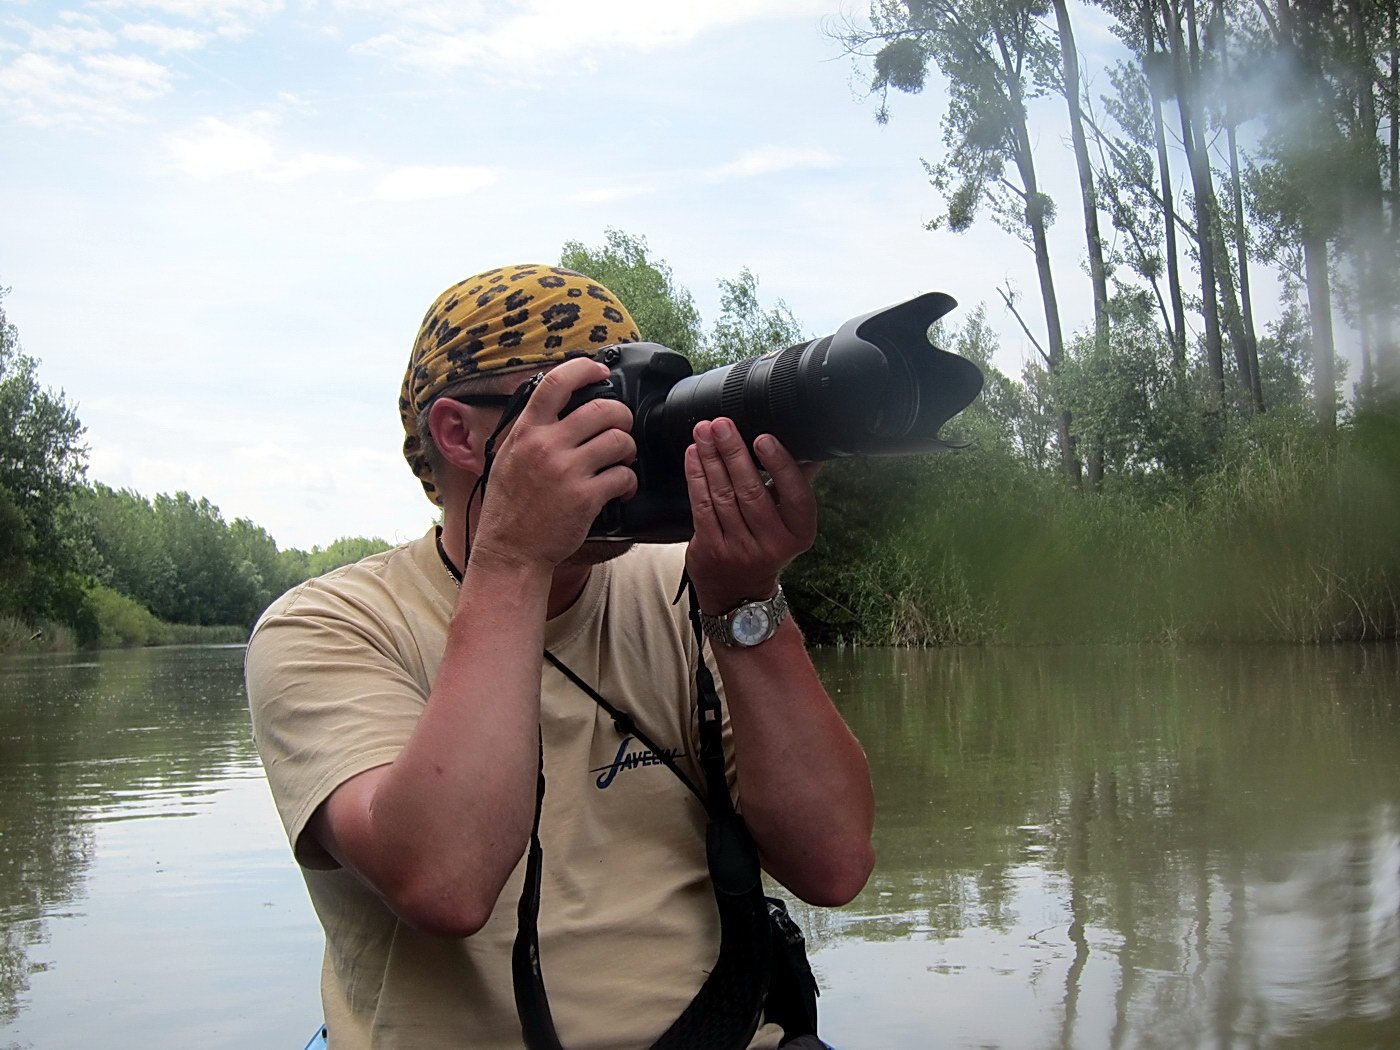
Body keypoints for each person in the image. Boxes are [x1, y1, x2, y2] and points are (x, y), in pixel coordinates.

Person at [246, 263, 876, 1049]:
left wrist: (748, 600)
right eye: (585, 406)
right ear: (458, 434)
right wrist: (514, 559)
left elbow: (833, 865)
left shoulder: (688, 584)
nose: (627, 439)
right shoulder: (326, 627)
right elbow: (444, 883)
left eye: (636, 406)